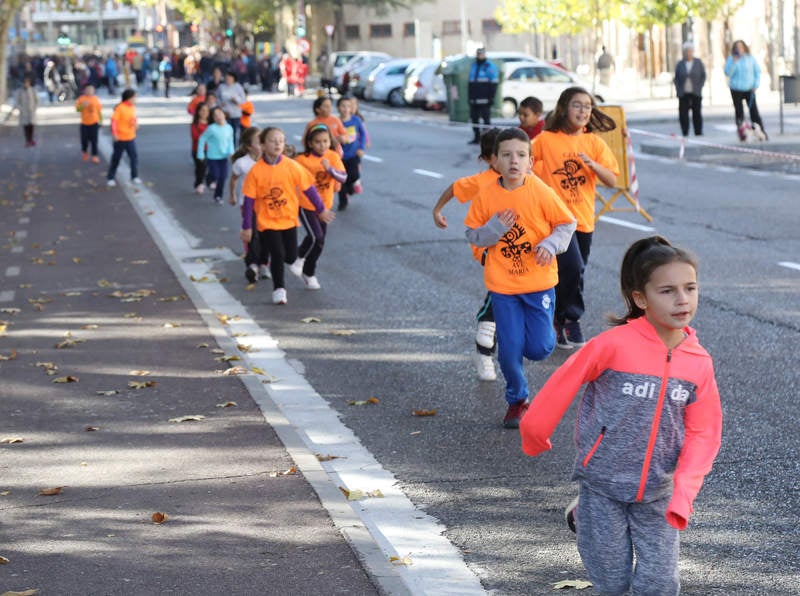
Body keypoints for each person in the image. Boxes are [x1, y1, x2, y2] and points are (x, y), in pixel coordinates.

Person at [520, 235, 722, 596]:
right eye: (668, 291)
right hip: (602, 486)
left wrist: (685, 491)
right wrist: (535, 433)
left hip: (660, 491)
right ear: (640, 299)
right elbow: (563, 384)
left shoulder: (699, 362)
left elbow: (704, 433)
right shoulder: (613, 345)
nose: (682, 299)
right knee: (612, 582)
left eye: (690, 288)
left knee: (659, 584)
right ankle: (584, 513)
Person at [463, 127, 577, 428]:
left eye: (521, 155)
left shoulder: (541, 191)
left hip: (539, 283)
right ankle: (517, 401)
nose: (514, 161)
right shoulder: (486, 195)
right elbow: (473, 235)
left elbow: (567, 223)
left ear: (530, 161)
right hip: (503, 287)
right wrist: (495, 229)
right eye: (506, 155)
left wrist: (550, 245)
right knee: (510, 352)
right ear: (495, 162)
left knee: (539, 349)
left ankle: (532, 333)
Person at [532, 87, 619, 349]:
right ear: (563, 108)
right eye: (576, 105)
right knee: (572, 267)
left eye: (587, 106)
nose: (583, 111)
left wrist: (593, 165)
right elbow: (525, 162)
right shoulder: (546, 140)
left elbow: (612, 180)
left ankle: (558, 318)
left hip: (583, 220)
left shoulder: (593, 143)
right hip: (555, 221)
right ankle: (569, 318)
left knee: (575, 272)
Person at [433, 128, 502, 382]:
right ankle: (484, 348)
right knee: (502, 288)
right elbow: (455, 188)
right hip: (486, 247)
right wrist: (437, 209)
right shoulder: (482, 181)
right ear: (487, 159)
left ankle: (491, 335)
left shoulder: (524, 178)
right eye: (501, 155)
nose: (509, 160)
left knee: (515, 293)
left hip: (517, 247)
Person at [240, 127, 336, 305]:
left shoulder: (292, 166)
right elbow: (248, 202)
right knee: (276, 254)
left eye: (281, 141)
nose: (277, 144)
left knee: (290, 256)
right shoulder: (256, 171)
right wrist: (246, 227)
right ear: (262, 145)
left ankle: (295, 262)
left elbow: (309, 189)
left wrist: (321, 209)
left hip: (289, 219)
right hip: (267, 221)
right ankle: (279, 289)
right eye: (272, 140)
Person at [291, 124, 347, 290]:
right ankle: (299, 258)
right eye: (317, 142)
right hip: (306, 204)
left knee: (319, 241)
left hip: (326, 204)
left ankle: (309, 273)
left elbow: (343, 177)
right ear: (310, 143)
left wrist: (330, 170)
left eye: (325, 141)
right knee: (316, 237)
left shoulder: (332, 156)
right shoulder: (302, 160)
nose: (322, 145)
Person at [229, 126, 269, 283]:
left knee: (266, 235)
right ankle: (252, 265)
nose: (262, 144)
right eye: (258, 142)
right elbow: (233, 178)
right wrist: (232, 195)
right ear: (248, 146)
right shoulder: (241, 163)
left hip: (266, 203)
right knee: (251, 233)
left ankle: (264, 263)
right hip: (247, 203)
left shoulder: (268, 159)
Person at [724, 39, 768, 141]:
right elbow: (727, 73)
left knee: (754, 111)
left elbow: (757, 72)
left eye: (741, 47)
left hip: (749, 89)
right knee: (739, 112)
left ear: (744, 48)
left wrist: (756, 85)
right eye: (737, 47)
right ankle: (742, 134)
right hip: (736, 89)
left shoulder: (750, 58)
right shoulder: (731, 59)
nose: (739, 49)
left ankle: (760, 133)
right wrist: (734, 62)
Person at [196, 106, 235, 204]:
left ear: (224, 114)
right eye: (215, 115)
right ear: (213, 118)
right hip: (212, 157)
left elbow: (230, 141)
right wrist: (200, 154)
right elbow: (202, 139)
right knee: (215, 174)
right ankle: (208, 179)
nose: (218, 117)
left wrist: (232, 153)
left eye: (220, 114)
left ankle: (218, 196)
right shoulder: (211, 128)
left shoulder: (229, 128)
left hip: (224, 157)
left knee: (223, 177)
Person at [336, 95, 367, 211]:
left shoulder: (356, 120)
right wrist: (337, 139)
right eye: (343, 106)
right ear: (338, 108)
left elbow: (363, 134)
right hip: (340, 156)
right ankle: (342, 202)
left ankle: (351, 187)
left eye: (348, 106)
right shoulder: (336, 121)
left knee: (354, 175)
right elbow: (331, 136)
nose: (345, 109)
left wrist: (361, 148)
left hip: (353, 154)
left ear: (352, 108)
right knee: (341, 180)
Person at [106, 88, 140, 187]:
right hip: (120, 138)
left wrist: (135, 124)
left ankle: (134, 176)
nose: (135, 99)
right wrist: (115, 134)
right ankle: (110, 177)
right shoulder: (120, 108)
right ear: (129, 98)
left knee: (134, 158)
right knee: (116, 158)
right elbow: (114, 122)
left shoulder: (132, 107)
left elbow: (133, 118)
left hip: (130, 137)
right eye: (134, 97)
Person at [674, 41, 706, 137]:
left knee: (697, 113)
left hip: (696, 92)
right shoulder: (680, 64)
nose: (688, 53)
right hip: (683, 93)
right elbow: (676, 78)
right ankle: (685, 131)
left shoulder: (698, 62)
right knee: (683, 114)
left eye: (690, 51)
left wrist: (700, 86)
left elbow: (703, 76)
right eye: (687, 51)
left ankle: (698, 131)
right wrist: (678, 89)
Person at [467, 48, 498, 144]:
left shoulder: (489, 66)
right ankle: (476, 137)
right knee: (474, 119)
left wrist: (491, 97)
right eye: (478, 54)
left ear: (484, 55)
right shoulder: (474, 66)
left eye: (481, 54)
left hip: (485, 99)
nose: (479, 56)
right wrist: (470, 97)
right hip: (474, 99)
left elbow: (494, 83)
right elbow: (470, 83)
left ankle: (487, 140)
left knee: (486, 120)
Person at [217, 70, 246, 145]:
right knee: (225, 131)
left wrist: (235, 100)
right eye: (226, 78)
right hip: (225, 113)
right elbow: (217, 98)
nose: (228, 79)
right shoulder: (221, 87)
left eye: (230, 78)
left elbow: (243, 100)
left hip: (236, 113)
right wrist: (220, 104)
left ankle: (233, 147)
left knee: (234, 131)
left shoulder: (238, 87)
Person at [75, 84, 102, 163]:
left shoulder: (96, 99)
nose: (90, 91)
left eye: (91, 90)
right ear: (84, 91)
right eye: (88, 90)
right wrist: (82, 106)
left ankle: (94, 155)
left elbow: (99, 111)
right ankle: (85, 151)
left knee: (94, 140)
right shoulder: (81, 99)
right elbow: (77, 110)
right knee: (84, 140)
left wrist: (101, 121)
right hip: (84, 123)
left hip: (94, 123)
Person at [13, 75, 39, 147]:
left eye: (27, 83)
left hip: (31, 112)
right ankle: (27, 140)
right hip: (23, 112)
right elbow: (17, 101)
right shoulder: (20, 91)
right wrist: (20, 108)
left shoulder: (32, 90)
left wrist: (34, 108)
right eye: (25, 83)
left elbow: (36, 100)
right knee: (26, 127)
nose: (26, 84)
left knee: (31, 127)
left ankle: (31, 140)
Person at [190, 102, 210, 193]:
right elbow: (195, 137)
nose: (204, 112)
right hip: (197, 149)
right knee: (201, 166)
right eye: (202, 110)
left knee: (206, 167)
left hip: (209, 149)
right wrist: (207, 137)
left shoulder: (211, 123)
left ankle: (202, 182)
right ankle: (199, 183)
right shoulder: (195, 124)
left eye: (206, 110)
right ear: (198, 112)